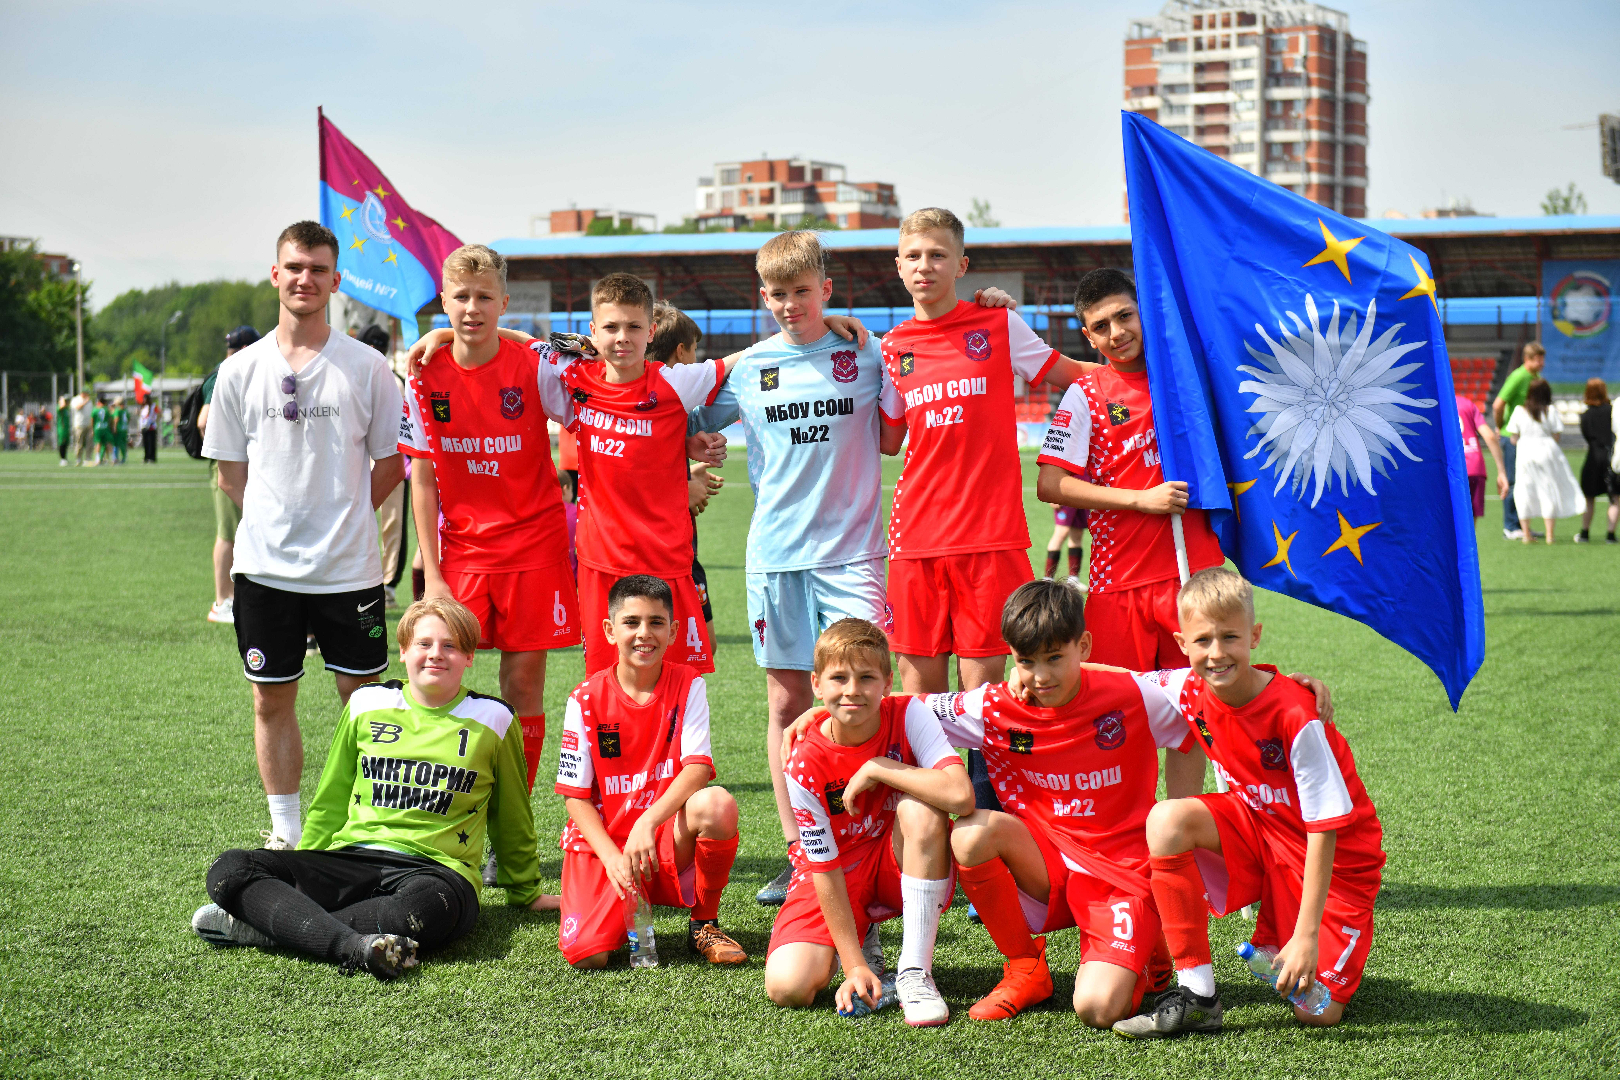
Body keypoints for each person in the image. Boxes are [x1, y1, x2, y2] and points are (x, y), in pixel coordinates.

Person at [192, 597, 550, 980]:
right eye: (424, 644)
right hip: (353, 859)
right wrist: (308, 870)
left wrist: (525, 890)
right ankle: (352, 947)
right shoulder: (367, 702)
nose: (436, 655)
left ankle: (275, 927)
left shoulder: (493, 719)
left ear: (469, 657)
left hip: (436, 874)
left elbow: (511, 814)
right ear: (403, 651)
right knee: (230, 869)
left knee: (418, 913)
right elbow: (331, 798)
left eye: (450, 645)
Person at [410, 273, 736, 676]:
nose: (622, 337)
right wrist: (447, 331)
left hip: (666, 560)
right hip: (599, 562)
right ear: (593, 332)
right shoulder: (574, 374)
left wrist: (820, 329)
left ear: (651, 332)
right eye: (611, 327)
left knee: (678, 681)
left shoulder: (675, 382)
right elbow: (520, 341)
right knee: (604, 681)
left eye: (634, 327)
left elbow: (749, 359)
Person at [202, 221, 405, 850]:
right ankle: (287, 832)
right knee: (270, 702)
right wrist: (281, 517)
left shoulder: (368, 368)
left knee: (364, 701)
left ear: (336, 281)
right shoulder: (240, 372)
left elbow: (391, 464)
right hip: (265, 570)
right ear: (275, 274)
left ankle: (369, 826)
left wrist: (342, 513)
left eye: (318, 269)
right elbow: (231, 475)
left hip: (349, 569)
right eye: (295, 267)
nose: (305, 279)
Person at [1114, 568, 1384, 1035]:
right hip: (1261, 834)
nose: (1216, 652)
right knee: (1167, 819)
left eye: (1230, 637)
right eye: (1203, 640)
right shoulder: (1189, 687)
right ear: (1182, 644)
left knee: (1315, 1012)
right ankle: (1198, 993)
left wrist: (1305, 936)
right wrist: (1029, 675)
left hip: (1337, 866)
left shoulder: (1297, 714)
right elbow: (1118, 678)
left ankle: (1296, 936)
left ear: (1254, 636)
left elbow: (1326, 830)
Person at [399, 244, 581, 850]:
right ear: (444, 302)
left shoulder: (533, 361)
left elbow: (592, 415)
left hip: (537, 549)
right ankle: (452, 821)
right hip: (463, 558)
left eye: (484, 298)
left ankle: (512, 833)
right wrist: (433, 571)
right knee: (443, 684)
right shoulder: (424, 373)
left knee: (524, 688)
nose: (472, 309)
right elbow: (421, 479)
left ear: (503, 303)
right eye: (461, 297)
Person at [1036, 268, 1225, 802]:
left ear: (1143, 314)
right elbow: (1050, 484)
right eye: (1102, 326)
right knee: (1117, 718)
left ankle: (1181, 831)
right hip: (1120, 586)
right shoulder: (1086, 393)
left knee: (1196, 717)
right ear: (1089, 338)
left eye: (1125, 315)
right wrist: (1140, 500)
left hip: (1194, 576)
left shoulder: (1185, 377)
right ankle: (1130, 838)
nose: (1117, 332)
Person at [764, 618, 969, 1025]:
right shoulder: (803, 759)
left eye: (866, 677)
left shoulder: (911, 713)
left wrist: (880, 766)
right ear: (817, 685)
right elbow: (823, 868)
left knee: (921, 809)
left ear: (887, 682)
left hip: (898, 857)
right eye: (839, 678)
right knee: (788, 986)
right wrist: (855, 964)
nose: (853, 690)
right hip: (839, 869)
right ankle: (862, 941)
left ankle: (914, 974)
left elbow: (961, 796)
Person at [554, 574, 747, 968]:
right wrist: (611, 856)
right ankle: (615, 899)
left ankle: (703, 923)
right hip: (603, 842)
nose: (645, 633)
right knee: (587, 954)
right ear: (610, 630)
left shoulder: (688, 684)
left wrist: (647, 821)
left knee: (717, 804)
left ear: (674, 630)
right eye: (632, 622)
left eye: (656, 622)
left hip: (658, 838)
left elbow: (697, 769)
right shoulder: (585, 698)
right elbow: (575, 796)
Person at [649, 300, 722, 647]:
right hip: (666, 550)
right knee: (697, 646)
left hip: (675, 547)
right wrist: (683, 490)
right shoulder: (664, 399)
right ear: (681, 351)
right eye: (694, 351)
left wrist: (688, 470)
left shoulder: (665, 408)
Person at [199, 325, 262, 623]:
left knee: (236, 530)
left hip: (235, 459)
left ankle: (232, 597)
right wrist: (225, 447)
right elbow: (204, 419)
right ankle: (222, 600)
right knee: (227, 532)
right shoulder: (226, 373)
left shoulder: (227, 370)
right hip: (227, 462)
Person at [359, 324, 411, 605]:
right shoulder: (351, 377)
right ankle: (365, 579)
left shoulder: (395, 381)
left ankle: (388, 583)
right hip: (357, 460)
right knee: (361, 519)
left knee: (392, 522)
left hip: (391, 458)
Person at [1505, 378, 1581, 544]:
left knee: (1524, 490)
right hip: (1546, 450)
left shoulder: (1520, 410)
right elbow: (1556, 434)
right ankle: (1549, 535)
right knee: (1548, 490)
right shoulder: (1550, 410)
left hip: (1525, 451)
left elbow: (1513, 438)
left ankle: (1526, 534)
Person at [1493, 341, 1546, 540]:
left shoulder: (1536, 378)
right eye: (1538, 359)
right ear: (1527, 359)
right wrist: (1500, 427)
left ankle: (1524, 526)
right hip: (1512, 436)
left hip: (1527, 439)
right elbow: (1498, 404)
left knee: (1527, 482)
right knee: (1513, 481)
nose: (1542, 363)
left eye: (1542, 359)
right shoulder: (1518, 376)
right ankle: (1510, 526)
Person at [1576, 378, 1618, 544]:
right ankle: (1610, 534)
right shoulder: (1612, 411)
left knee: (1589, 497)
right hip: (1611, 457)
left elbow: (1586, 436)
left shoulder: (1585, 415)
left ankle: (1585, 533)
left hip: (1593, 457)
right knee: (1615, 497)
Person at [1456, 392, 1508, 521]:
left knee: (1447, 522)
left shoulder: (1435, 406)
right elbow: (1490, 436)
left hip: (1451, 469)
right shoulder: (1467, 403)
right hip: (1475, 468)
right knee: (1469, 524)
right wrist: (1501, 472)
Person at [1045, 505, 1086, 583]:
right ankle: (1048, 578)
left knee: (1077, 534)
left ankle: (1073, 579)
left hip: (1081, 496)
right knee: (1061, 532)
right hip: (1065, 497)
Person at [69, 386, 92, 465]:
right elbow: (78, 407)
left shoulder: (90, 401)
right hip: (79, 424)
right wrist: (85, 402)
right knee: (79, 443)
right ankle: (78, 459)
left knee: (89, 443)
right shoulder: (76, 400)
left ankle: (88, 459)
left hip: (88, 425)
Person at [91, 395, 110, 466]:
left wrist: (92, 429)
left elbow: (92, 419)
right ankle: (110, 458)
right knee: (106, 443)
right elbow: (109, 419)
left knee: (98, 443)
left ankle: (98, 459)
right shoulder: (106, 409)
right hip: (105, 428)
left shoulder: (95, 409)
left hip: (97, 428)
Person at [140, 395, 159, 463]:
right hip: (144, 427)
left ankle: (152, 457)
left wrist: (154, 420)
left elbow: (158, 413)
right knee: (145, 443)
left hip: (151, 427)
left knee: (151, 443)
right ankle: (146, 457)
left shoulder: (153, 406)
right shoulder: (143, 407)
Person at [111, 397, 129, 464]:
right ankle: (124, 458)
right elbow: (128, 419)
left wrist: (114, 428)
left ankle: (115, 458)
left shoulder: (117, 410)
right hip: (124, 429)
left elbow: (116, 419)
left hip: (119, 429)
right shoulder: (125, 410)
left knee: (115, 444)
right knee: (123, 444)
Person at [55, 396, 70, 466]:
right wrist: (62, 399)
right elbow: (62, 406)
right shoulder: (59, 407)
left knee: (66, 444)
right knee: (62, 443)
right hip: (62, 428)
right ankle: (62, 459)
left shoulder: (66, 409)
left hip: (66, 429)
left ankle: (65, 458)